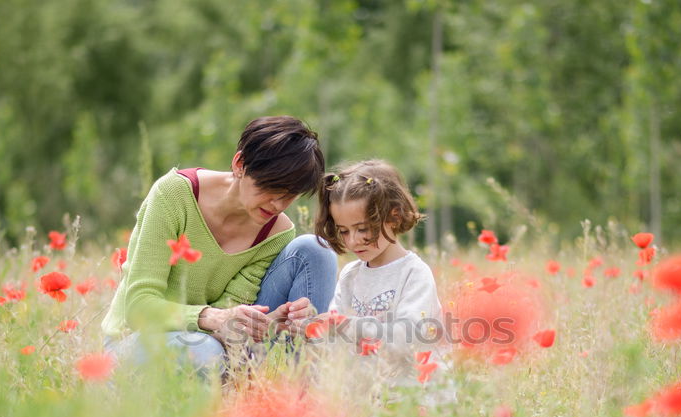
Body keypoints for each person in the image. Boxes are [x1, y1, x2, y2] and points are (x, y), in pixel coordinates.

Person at [102, 116, 338, 372]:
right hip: (140, 340)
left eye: (289, 196)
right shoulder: (174, 195)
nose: (278, 205)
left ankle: (297, 386)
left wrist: (267, 322)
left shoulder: (276, 231)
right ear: (240, 164)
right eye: (271, 188)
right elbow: (139, 307)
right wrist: (213, 318)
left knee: (314, 250)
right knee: (204, 351)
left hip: (214, 342)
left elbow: (230, 311)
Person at [312, 159, 449, 396]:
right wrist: (311, 324)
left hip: (414, 395)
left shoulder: (413, 274)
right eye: (343, 231)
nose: (353, 241)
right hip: (367, 394)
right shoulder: (350, 275)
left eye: (363, 229)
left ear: (394, 217)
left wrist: (350, 326)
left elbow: (405, 340)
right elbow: (337, 339)